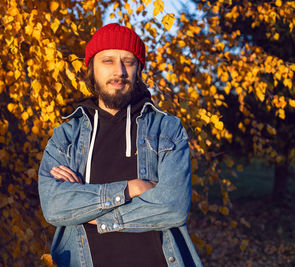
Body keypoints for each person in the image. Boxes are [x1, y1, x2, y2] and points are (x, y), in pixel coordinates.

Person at [38, 23, 202, 267]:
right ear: (91, 67)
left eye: (129, 61)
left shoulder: (167, 130)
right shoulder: (66, 137)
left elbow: (173, 207)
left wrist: (93, 216)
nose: (120, 71)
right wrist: (130, 188)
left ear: (138, 70)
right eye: (108, 61)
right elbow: (54, 207)